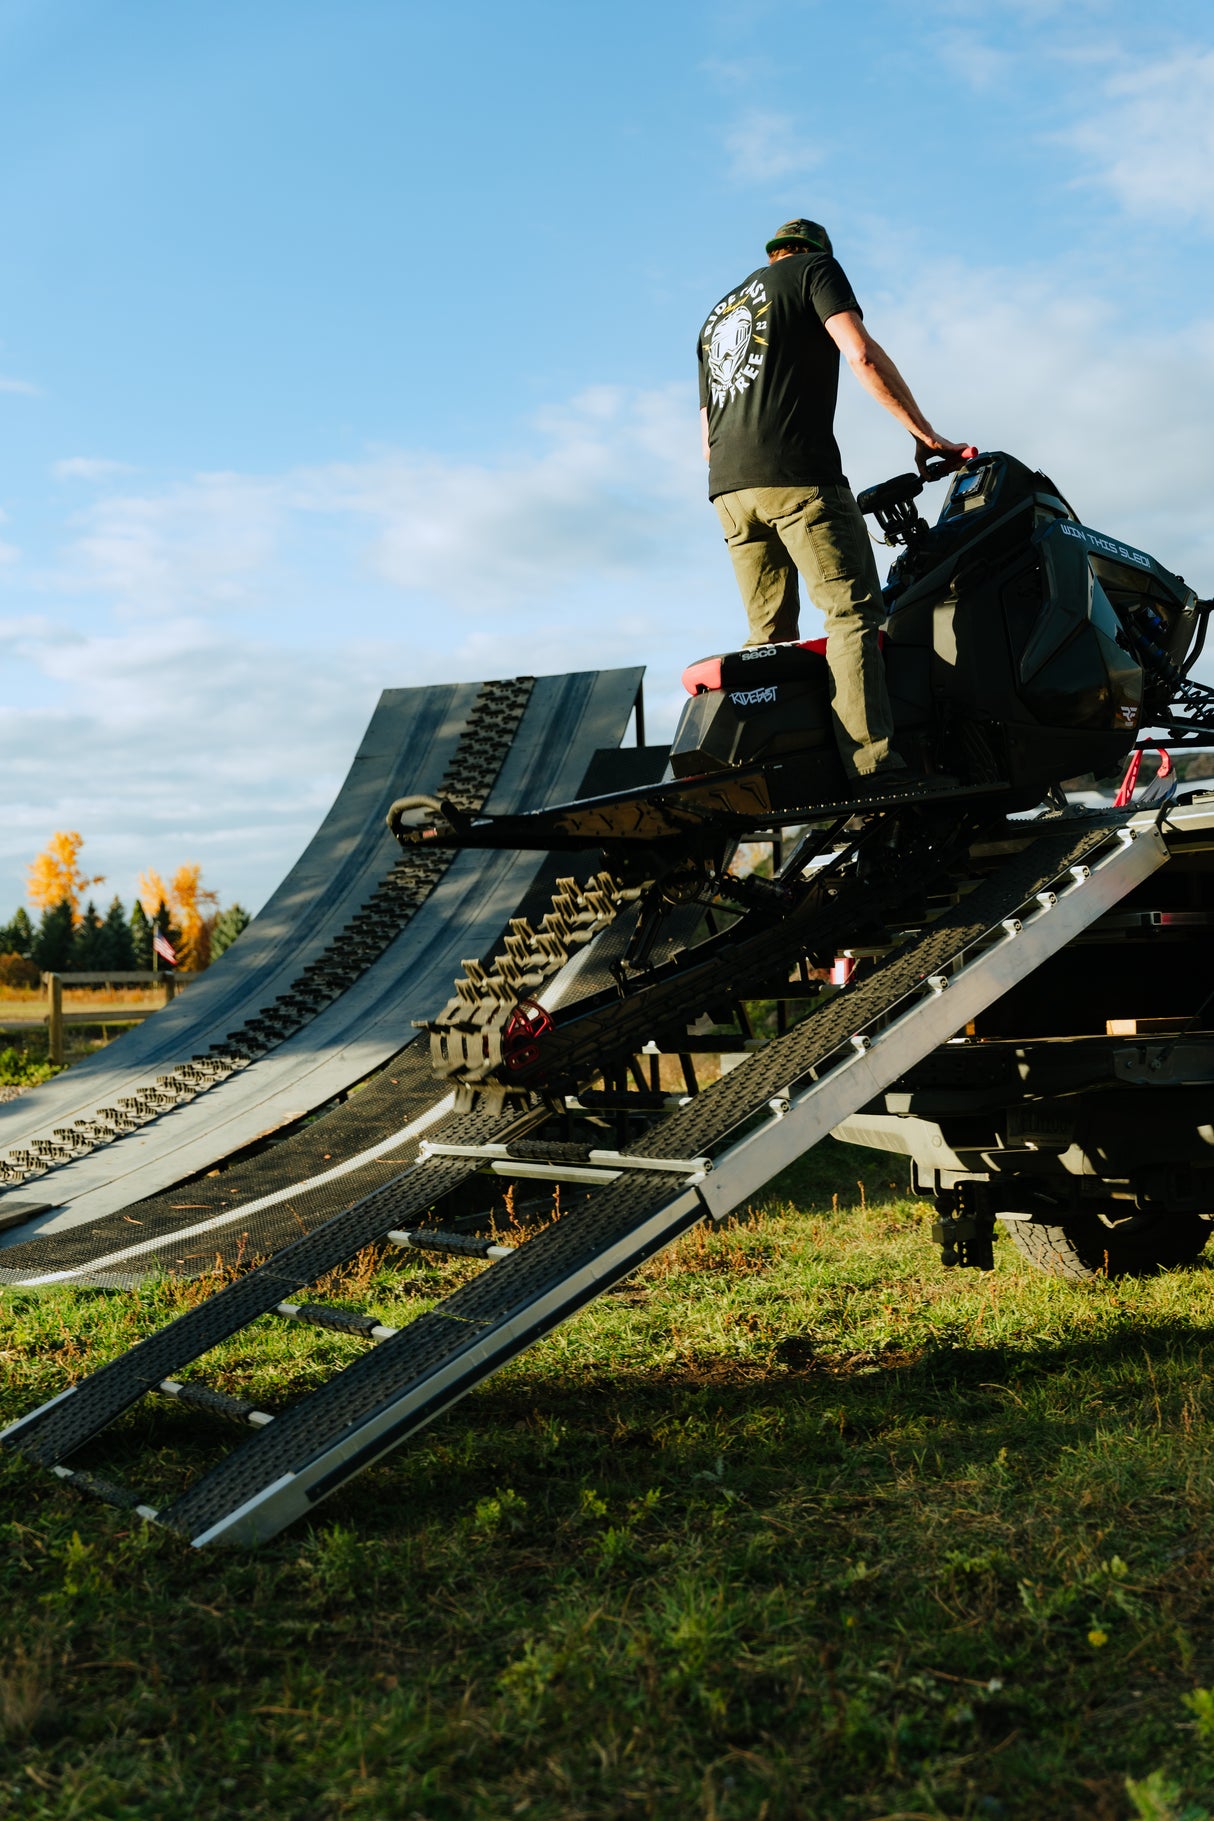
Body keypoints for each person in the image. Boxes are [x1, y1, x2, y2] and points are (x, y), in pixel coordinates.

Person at [697, 217, 970, 781]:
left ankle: (773, 764)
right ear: (813, 252)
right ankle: (872, 765)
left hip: (728, 488)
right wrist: (925, 435)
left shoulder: (718, 314)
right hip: (798, 475)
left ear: (773, 253)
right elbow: (861, 353)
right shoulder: (815, 270)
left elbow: (706, 432)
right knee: (852, 614)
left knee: (767, 638)